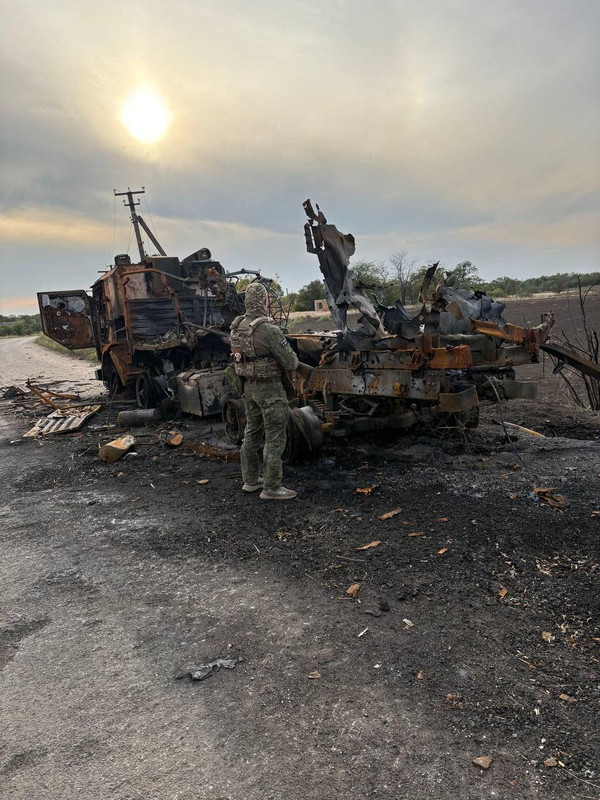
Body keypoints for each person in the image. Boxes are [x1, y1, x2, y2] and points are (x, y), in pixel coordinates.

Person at [229, 282, 310, 500]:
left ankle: (250, 480)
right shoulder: (268, 330)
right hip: (270, 389)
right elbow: (290, 362)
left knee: (251, 434)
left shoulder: (237, 327)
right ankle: (272, 487)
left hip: (248, 387)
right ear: (264, 301)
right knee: (275, 438)